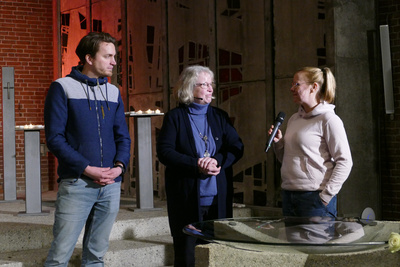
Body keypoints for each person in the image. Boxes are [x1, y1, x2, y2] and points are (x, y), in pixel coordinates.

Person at [44, 32, 131, 266]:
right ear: (89, 58)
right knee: (59, 257)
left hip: (111, 185)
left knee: (96, 257)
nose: (114, 62)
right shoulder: (62, 87)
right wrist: (87, 168)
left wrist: (119, 168)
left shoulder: (113, 92)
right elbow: (55, 139)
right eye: (108, 56)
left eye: (115, 56)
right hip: (77, 183)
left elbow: (122, 136)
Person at [157, 65, 244, 266]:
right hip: (186, 198)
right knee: (187, 255)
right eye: (204, 84)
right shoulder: (175, 117)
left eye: (211, 84)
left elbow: (237, 147)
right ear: (189, 87)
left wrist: (218, 160)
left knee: (216, 253)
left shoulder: (219, 116)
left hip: (217, 199)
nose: (210, 89)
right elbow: (165, 152)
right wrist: (196, 164)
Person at [268, 66, 352, 218]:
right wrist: (279, 144)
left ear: (314, 87)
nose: (291, 88)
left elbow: (345, 162)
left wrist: (326, 195)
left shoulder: (329, 120)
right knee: (291, 243)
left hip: (314, 198)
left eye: (296, 84)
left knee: (315, 243)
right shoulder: (294, 119)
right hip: (289, 195)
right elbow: (287, 160)